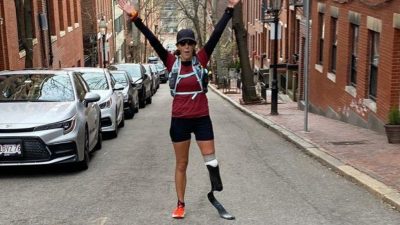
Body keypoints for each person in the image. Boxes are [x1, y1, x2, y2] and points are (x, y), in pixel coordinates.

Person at [118, 0, 240, 219]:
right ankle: (180, 204)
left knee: (211, 160)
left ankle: (214, 187)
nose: (186, 47)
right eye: (182, 43)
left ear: (193, 46)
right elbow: (152, 39)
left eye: (189, 43)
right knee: (181, 164)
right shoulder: (170, 62)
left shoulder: (201, 59)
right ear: (178, 46)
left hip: (202, 118)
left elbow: (216, 34)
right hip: (180, 121)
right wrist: (134, 17)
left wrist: (229, 10)